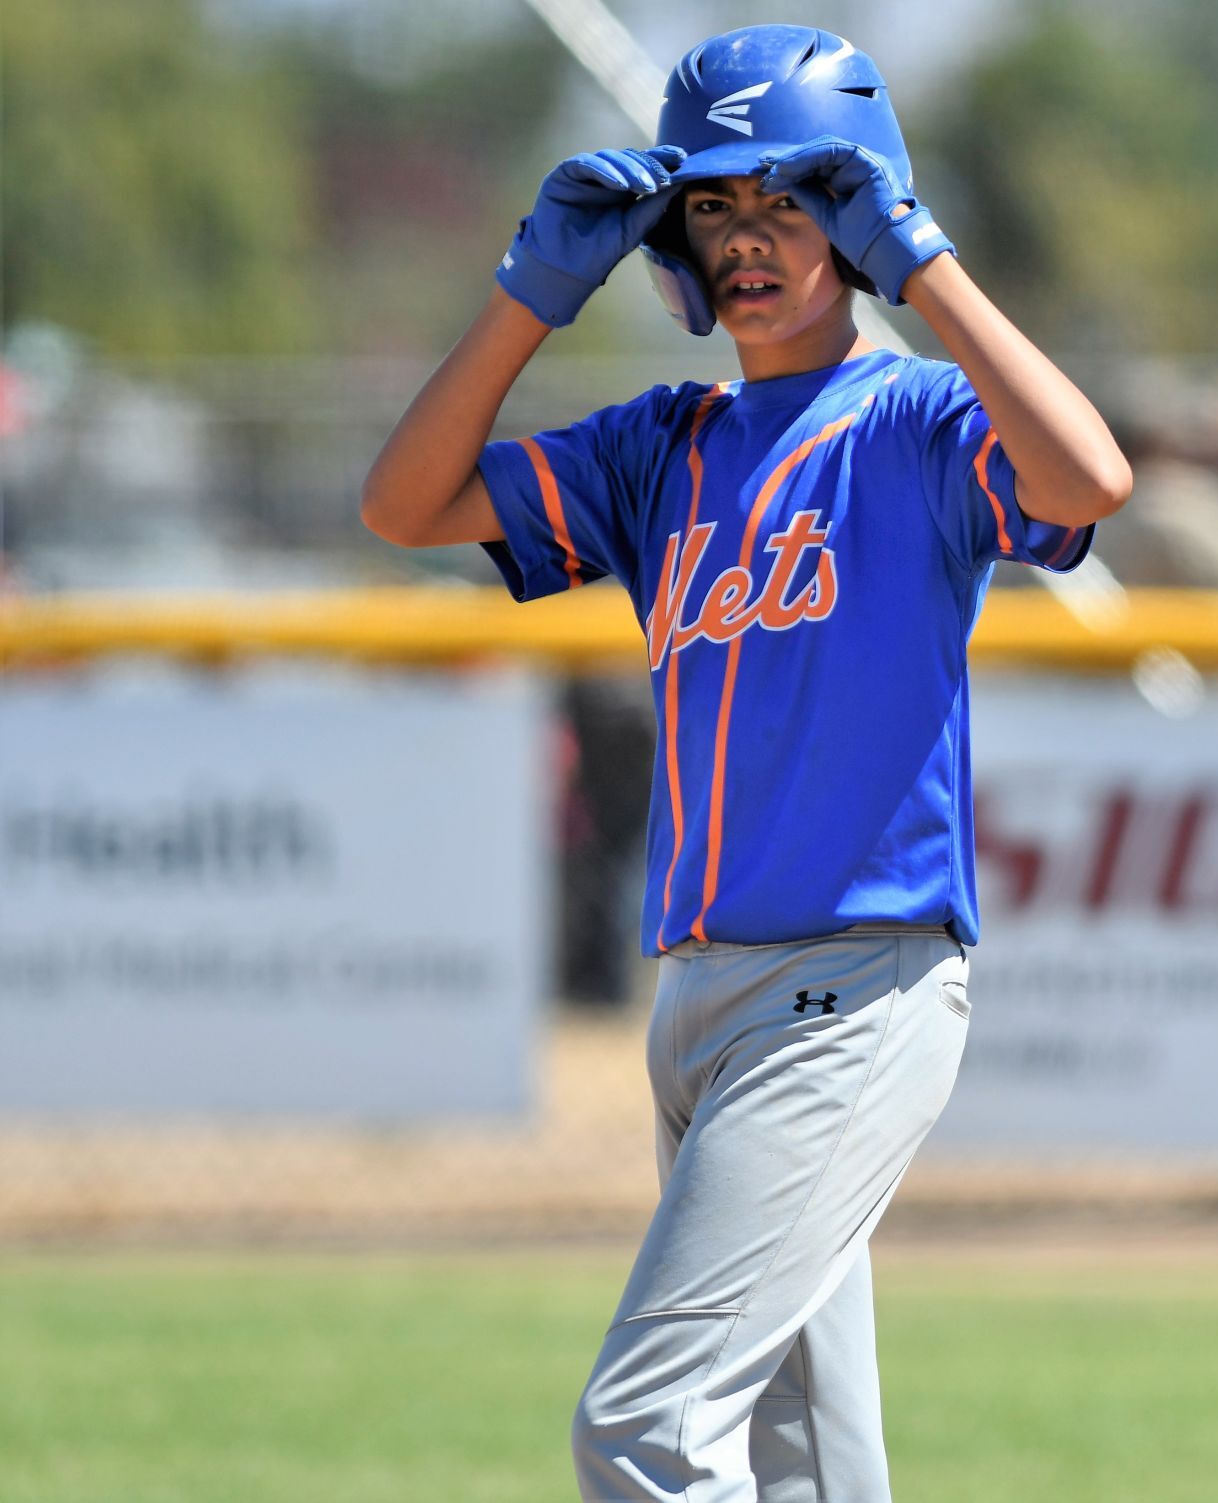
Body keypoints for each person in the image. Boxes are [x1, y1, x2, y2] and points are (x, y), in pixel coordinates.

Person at [362, 24, 1130, 1502]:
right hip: (699, 1000)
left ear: (862, 214)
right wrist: (531, 294)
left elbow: (1084, 480)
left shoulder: (913, 422)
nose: (750, 239)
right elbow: (404, 505)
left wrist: (925, 265)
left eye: (790, 199)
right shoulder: (664, 445)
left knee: (643, 1427)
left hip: (854, 987)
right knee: (804, 1465)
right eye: (712, 205)